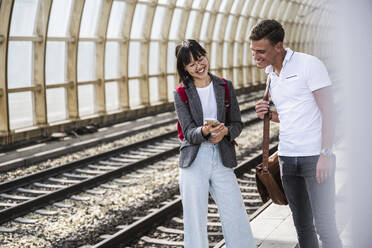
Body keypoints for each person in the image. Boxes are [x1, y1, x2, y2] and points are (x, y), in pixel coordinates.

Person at [251, 20, 342, 248]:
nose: (255, 56)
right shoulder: (271, 75)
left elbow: (328, 111)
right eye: (253, 51)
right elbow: (291, 113)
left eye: (261, 51)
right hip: (287, 158)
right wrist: (270, 115)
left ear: (278, 47)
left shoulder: (309, 65)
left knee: (325, 226)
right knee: (302, 226)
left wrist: (326, 153)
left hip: (315, 157)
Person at [173, 39, 255, 248]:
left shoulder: (224, 86)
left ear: (205, 56)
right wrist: (205, 131)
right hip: (194, 159)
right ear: (184, 68)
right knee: (194, 218)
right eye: (192, 65)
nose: (199, 66)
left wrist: (225, 131)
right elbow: (188, 133)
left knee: (235, 211)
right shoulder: (181, 92)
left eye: (200, 59)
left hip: (222, 155)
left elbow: (237, 123)